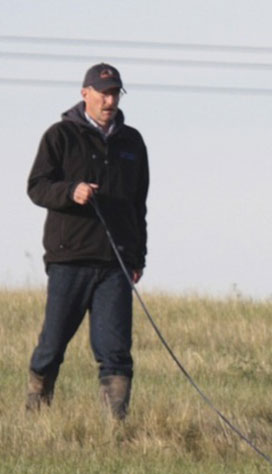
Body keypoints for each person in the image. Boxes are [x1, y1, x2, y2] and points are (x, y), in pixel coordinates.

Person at [26, 63, 149, 420]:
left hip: (116, 263)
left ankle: (116, 428)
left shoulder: (133, 143)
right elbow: (36, 186)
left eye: (115, 93)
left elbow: (138, 204)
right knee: (51, 347)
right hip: (70, 259)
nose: (109, 100)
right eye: (103, 93)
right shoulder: (60, 136)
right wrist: (70, 190)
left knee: (116, 351)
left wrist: (138, 256)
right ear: (85, 93)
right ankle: (34, 418)